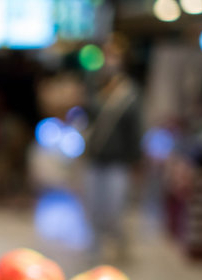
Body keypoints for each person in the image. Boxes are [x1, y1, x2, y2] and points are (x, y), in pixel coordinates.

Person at [83, 34, 142, 263]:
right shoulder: (95, 86)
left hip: (118, 161)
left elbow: (135, 129)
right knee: (94, 208)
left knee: (114, 209)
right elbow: (88, 120)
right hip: (95, 158)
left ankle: (119, 246)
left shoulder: (129, 93)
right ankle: (96, 250)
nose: (109, 60)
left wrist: (136, 160)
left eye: (114, 55)